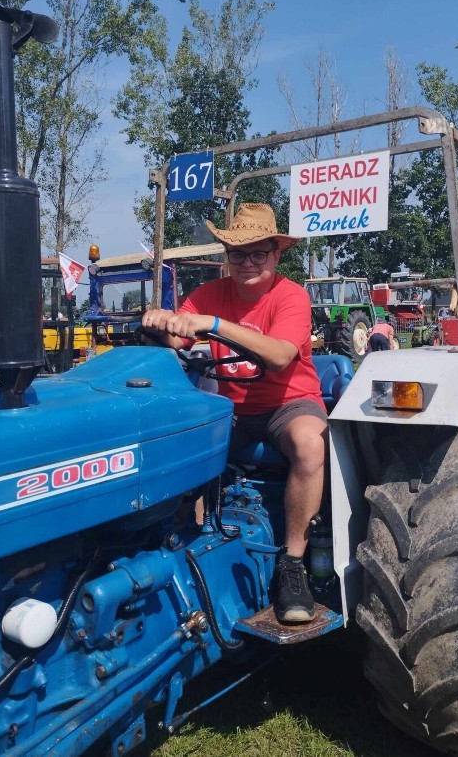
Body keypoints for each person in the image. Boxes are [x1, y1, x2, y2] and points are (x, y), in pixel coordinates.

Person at [142, 203, 327, 624]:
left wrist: (214, 324)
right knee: (178, 438)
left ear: (276, 255)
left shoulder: (291, 296)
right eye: (238, 254)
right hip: (234, 408)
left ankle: (293, 564)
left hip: (289, 404)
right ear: (227, 256)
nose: (247, 263)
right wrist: (159, 323)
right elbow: (178, 338)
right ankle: (185, 539)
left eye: (258, 254)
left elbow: (281, 356)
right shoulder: (208, 294)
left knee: (308, 444)